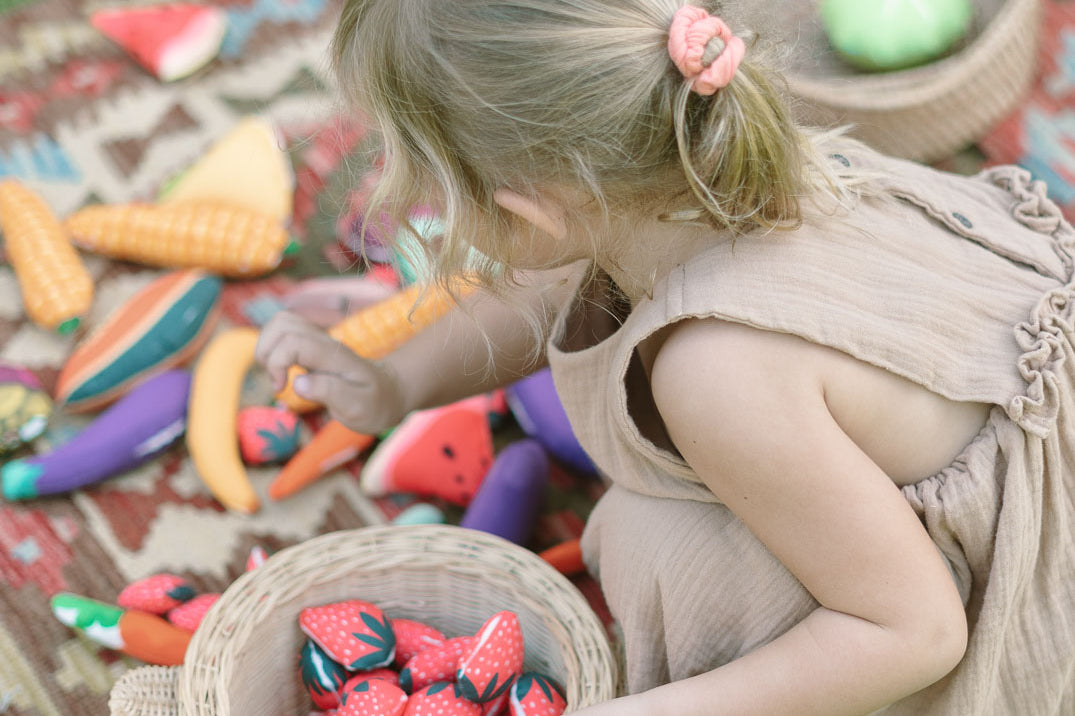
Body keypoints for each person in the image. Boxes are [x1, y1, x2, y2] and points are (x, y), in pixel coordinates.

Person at [255, 1, 1075, 713]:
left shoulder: (715, 370)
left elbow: (916, 631)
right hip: (1005, 392)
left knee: (651, 545)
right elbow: (551, 282)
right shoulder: (687, 152)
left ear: (528, 212)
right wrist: (394, 381)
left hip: (1016, 575)